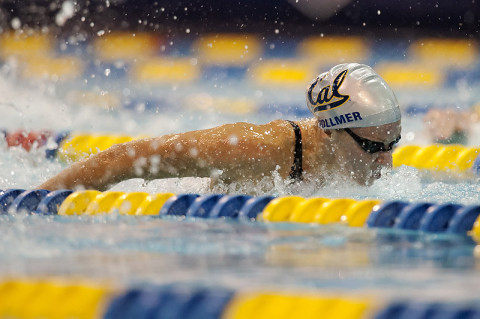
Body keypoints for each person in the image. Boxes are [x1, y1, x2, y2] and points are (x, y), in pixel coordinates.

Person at [38, 63, 402, 192]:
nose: (385, 164)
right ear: (330, 130)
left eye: (393, 145)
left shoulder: (349, 160)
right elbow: (130, 157)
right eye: (372, 148)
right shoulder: (258, 149)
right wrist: (34, 200)